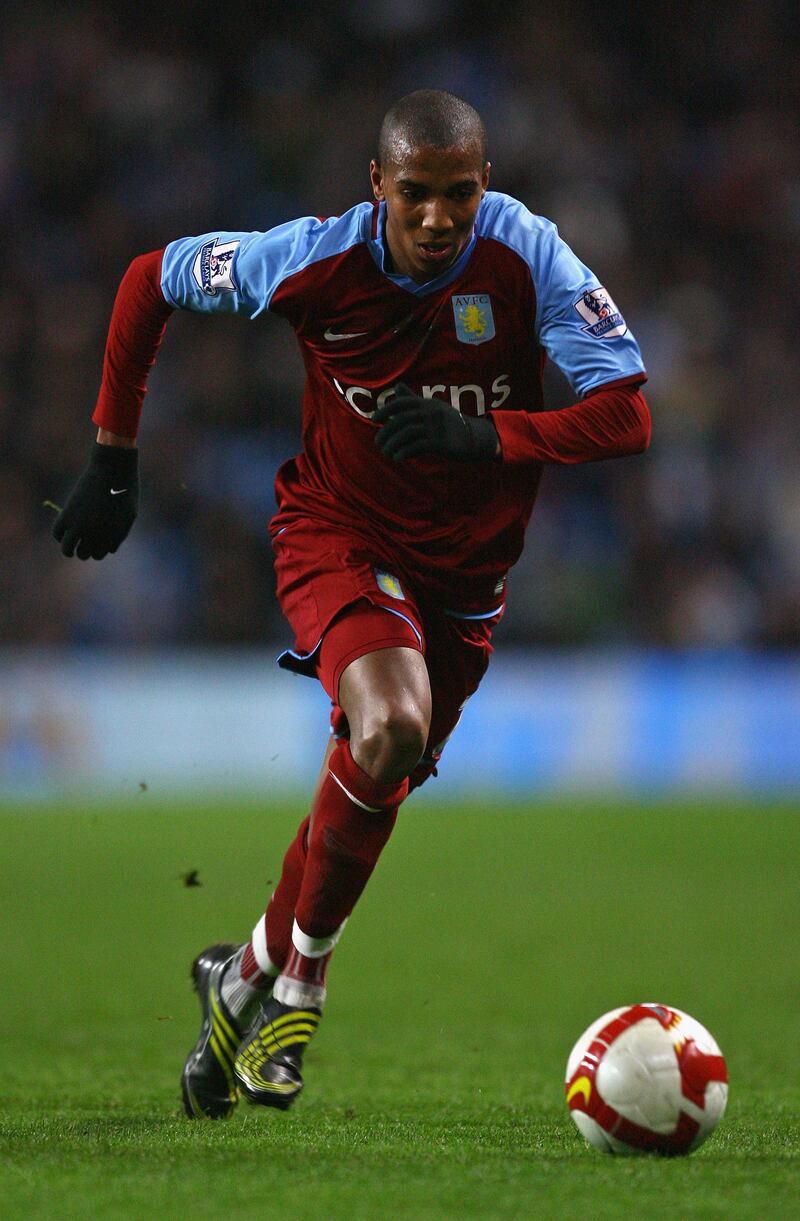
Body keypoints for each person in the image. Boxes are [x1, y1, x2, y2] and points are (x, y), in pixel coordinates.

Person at [53, 90, 650, 1119]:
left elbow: (627, 412)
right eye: (413, 195)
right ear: (377, 186)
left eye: (456, 195)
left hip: (467, 587)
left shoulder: (528, 255)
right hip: (339, 536)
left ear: (483, 186)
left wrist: (495, 437)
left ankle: (237, 974)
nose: (435, 220)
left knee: (374, 770)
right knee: (392, 723)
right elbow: (148, 279)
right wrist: (113, 452)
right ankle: (300, 987)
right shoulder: (308, 258)